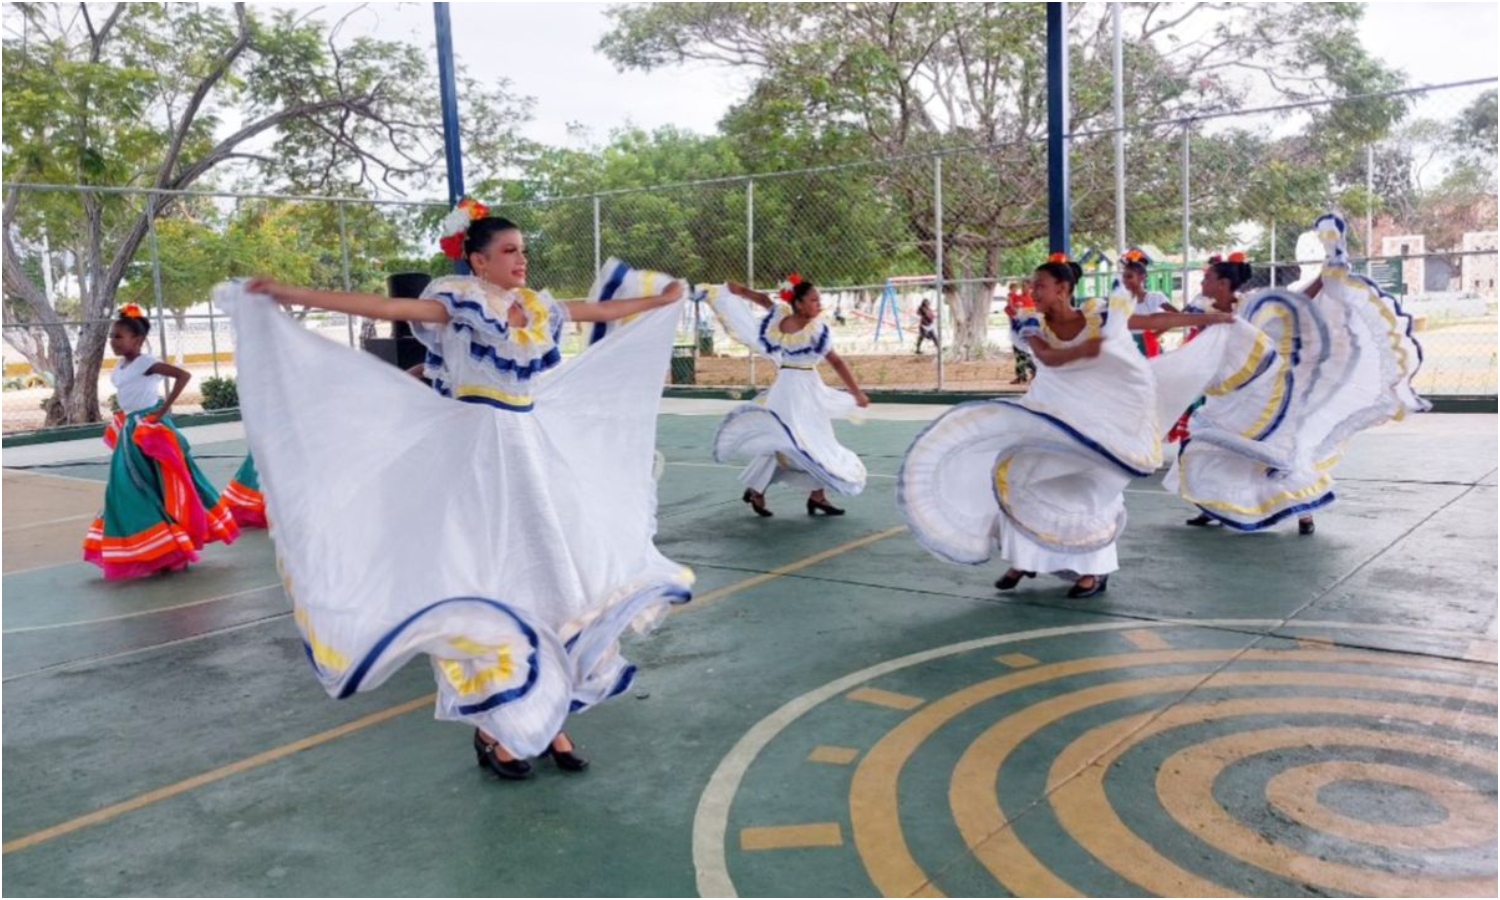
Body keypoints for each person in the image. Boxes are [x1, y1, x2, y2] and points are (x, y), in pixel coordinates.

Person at [220, 203, 691, 780]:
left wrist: (657, 303)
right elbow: (387, 306)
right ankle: (498, 731)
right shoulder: (459, 303)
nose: (522, 259)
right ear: (478, 260)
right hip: (474, 458)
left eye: (523, 249)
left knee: (550, 586)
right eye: (509, 251)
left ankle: (548, 720)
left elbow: (601, 309)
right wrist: (295, 294)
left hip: (530, 456)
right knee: (488, 585)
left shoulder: (539, 307)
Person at [897, 255, 1240, 599]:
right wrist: (1092, 349)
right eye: (1032, 285)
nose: (1033, 292)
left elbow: (1152, 320)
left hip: (1098, 424)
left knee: (1090, 491)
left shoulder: (1098, 319)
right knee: (1019, 479)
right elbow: (1047, 357)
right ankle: (1025, 558)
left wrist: (1216, 318)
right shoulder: (1030, 324)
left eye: (1040, 285)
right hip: (1048, 419)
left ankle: (1094, 572)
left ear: (1063, 289)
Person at [1167, 214, 1428, 537]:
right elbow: (1182, 324)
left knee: (1274, 452)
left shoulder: (1254, 305)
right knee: (1211, 441)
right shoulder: (1203, 308)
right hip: (1228, 395)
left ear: (1222, 283)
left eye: (1206, 278)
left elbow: (1299, 301)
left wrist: (1325, 275)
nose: (1201, 283)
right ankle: (1215, 505)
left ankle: (1304, 510)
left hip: (1267, 395)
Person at [84, 305, 239, 578]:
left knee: (162, 483)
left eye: (119, 336)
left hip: (150, 428)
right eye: (112, 336)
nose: (113, 341)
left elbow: (183, 375)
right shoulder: (121, 366)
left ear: (138, 339)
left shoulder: (146, 363)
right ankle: (159, 546)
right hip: (132, 429)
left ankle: (170, 544)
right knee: (133, 485)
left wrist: (161, 409)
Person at [706, 274, 870, 517]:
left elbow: (763, 300)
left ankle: (815, 495)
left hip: (795, 387)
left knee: (804, 440)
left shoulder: (783, 317)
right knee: (795, 442)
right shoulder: (812, 329)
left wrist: (741, 291)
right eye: (814, 300)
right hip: (797, 390)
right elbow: (836, 362)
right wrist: (856, 392)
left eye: (818, 299)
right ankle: (762, 490)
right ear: (799, 303)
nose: (819, 304)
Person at [1120, 249, 1178, 357]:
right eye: (1124, 277)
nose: (1125, 280)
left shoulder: (1154, 297)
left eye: (1129, 277)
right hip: (1127, 346)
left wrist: (1155, 334)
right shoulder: (1121, 300)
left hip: (1148, 345)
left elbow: (1177, 316)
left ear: (1142, 277)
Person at [1004, 282, 1037, 385]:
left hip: (1029, 330)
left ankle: (1034, 371)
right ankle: (1021, 375)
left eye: (1026, 286)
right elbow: (1009, 310)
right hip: (1017, 329)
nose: (1023, 288)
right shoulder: (1017, 298)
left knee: (1025, 352)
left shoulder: (1034, 299)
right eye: (1022, 286)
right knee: (1018, 352)